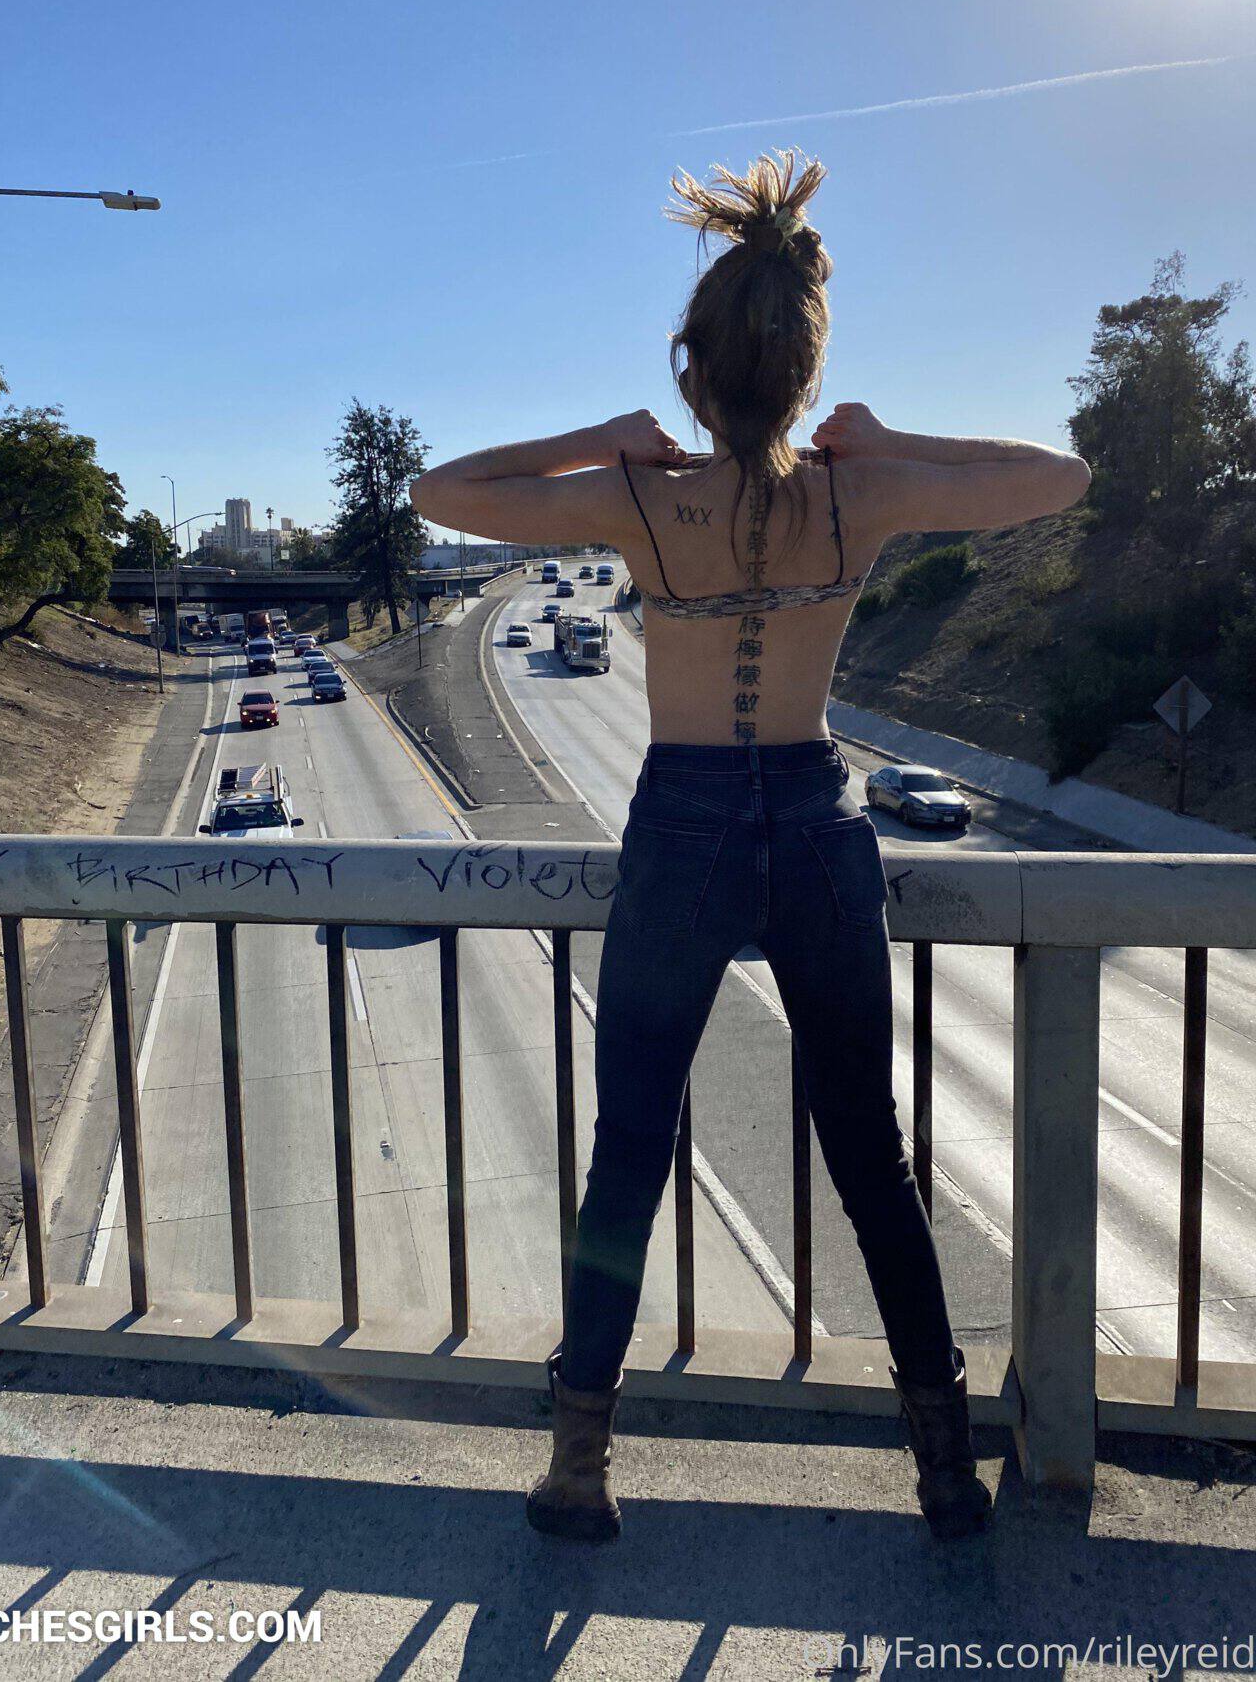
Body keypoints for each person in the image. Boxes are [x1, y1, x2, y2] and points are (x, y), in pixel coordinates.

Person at [410, 149, 1092, 1545]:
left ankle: (579, 1464)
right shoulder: (857, 495)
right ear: (804, 364)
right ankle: (944, 1467)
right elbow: (1060, 474)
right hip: (818, 823)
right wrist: (886, 439)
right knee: (870, 1156)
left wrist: (600, 436)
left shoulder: (637, 497)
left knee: (628, 1147)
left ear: (693, 368)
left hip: (682, 823)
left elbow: (440, 489)